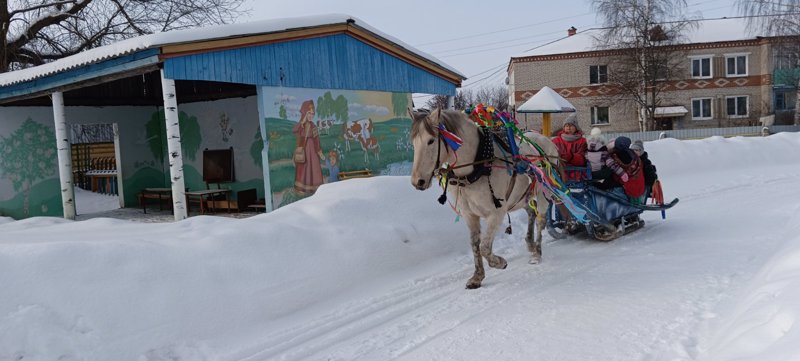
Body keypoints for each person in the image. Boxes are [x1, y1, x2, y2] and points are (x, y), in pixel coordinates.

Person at [292, 100, 326, 194]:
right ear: (305, 114)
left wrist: (319, 152)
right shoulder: (301, 126)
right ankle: (301, 189)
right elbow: (294, 130)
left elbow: (316, 140)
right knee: (303, 169)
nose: (311, 116)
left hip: (313, 153)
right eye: (309, 113)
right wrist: (302, 122)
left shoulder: (314, 126)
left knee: (313, 169)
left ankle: (314, 189)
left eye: (312, 114)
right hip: (303, 151)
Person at [609, 136, 646, 203]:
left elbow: (617, 173)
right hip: (640, 186)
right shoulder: (634, 155)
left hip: (629, 187)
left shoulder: (615, 156)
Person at [552, 114, 587, 181]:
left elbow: (583, 160)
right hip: (559, 173)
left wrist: (571, 157)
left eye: (571, 125)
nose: (568, 128)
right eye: (566, 125)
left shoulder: (582, 141)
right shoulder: (555, 141)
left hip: (577, 173)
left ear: (576, 127)